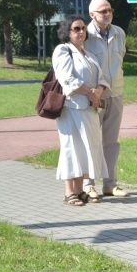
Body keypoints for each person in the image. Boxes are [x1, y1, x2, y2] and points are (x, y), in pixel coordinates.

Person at [53, 15, 109, 207]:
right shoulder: (63, 50)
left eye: (83, 28)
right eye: (76, 29)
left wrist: (98, 92)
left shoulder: (89, 54)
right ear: (67, 32)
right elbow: (66, 78)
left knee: (85, 149)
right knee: (71, 148)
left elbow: (102, 79)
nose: (81, 32)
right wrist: (90, 93)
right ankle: (69, 192)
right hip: (72, 109)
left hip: (90, 110)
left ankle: (79, 190)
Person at [83, 0, 129, 198]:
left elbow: (120, 59)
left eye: (109, 9)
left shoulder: (119, 32)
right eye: (103, 11)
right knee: (91, 140)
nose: (108, 13)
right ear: (92, 15)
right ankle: (88, 184)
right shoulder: (84, 34)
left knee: (111, 141)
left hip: (116, 93)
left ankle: (110, 184)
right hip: (94, 96)